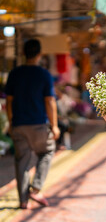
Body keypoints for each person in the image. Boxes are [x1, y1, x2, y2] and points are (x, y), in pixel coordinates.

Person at [5, 39, 60, 209]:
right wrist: (55, 125)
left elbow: (8, 101)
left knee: (22, 161)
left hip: (18, 124)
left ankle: (23, 201)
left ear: (23, 53)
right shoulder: (44, 74)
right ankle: (35, 189)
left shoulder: (14, 73)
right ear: (39, 54)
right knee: (47, 151)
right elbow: (50, 101)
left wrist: (11, 121)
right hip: (38, 125)